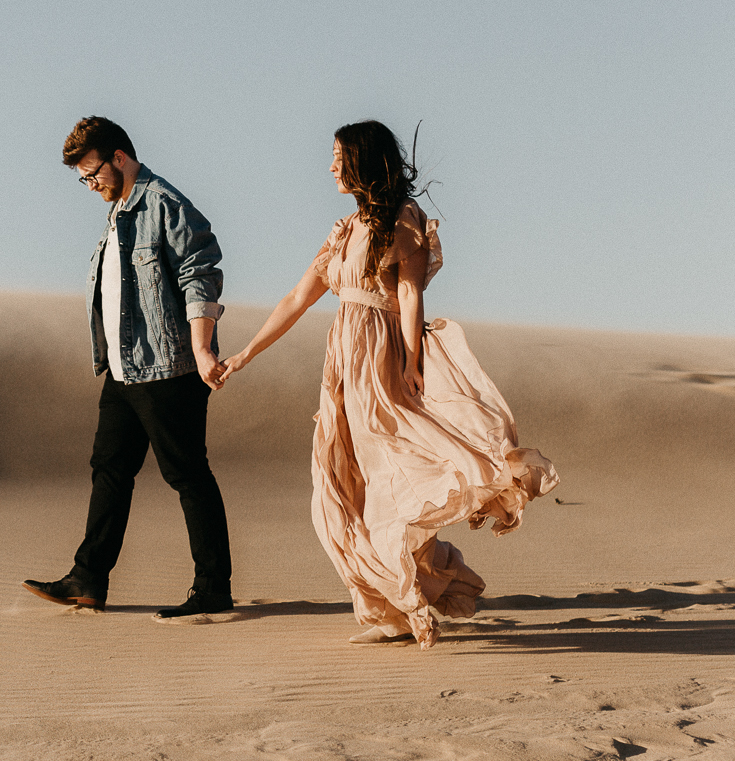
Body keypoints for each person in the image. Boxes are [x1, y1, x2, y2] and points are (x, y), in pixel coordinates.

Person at [214, 120, 558, 648]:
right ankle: (388, 606)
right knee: (339, 483)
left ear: (364, 162)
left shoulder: (405, 221)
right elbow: (296, 299)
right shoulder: (343, 230)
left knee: (389, 479)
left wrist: (413, 364)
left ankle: (405, 600)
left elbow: (411, 296)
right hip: (343, 367)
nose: (330, 166)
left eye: (338, 157)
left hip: (380, 360)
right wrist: (243, 354)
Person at [22, 116, 235, 619]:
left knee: (187, 474)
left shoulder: (163, 204)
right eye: (82, 178)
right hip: (123, 369)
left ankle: (213, 586)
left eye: (92, 172)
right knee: (110, 471)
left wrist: (203, 351)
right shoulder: (117, 212)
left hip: (169, 369)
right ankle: (88, 578)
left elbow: (200, 276)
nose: (89, 184)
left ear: (120, 157)